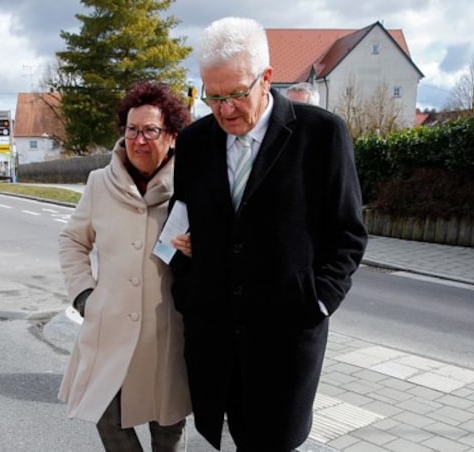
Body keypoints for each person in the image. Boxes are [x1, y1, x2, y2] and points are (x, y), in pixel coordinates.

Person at [169, 16, 368, 451]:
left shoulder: (321, 136)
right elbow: (179, 217)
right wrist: (185, 283)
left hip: (285, 337)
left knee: (273, 441)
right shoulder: (195, 143)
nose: (224, 109)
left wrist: (318, 300)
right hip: (215, 335)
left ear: (267, 79)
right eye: (213, 96)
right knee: (228, 435)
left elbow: (349, 234)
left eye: (236, 94)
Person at [58, 81, 192, 451]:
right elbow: (72, 240)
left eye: (151, 130)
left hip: (166, 335)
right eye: (132, 130)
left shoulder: (191, 185)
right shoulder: (100, 183)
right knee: (108, 420)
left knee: (168, 432)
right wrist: (84, 294)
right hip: (110, 331)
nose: (140, 140)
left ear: (172, 136)